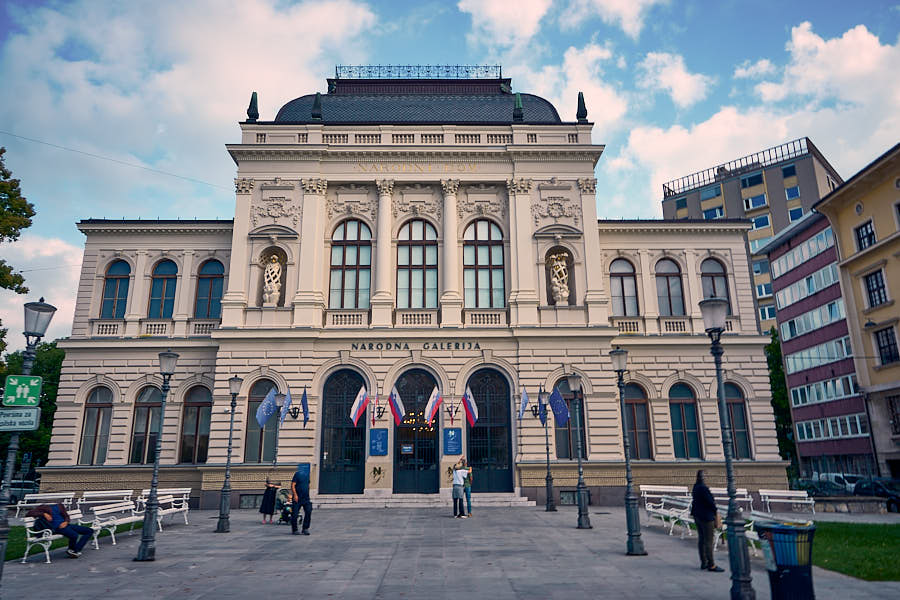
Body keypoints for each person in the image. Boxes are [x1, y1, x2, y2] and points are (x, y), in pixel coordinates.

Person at [26, 503, 93, 558]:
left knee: (89, 531)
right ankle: (73, 550)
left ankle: (74, 550)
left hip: (66, 525)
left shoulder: (60, 506)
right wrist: (44, 514)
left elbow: (66, 516)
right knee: (74, 535)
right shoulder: (44, 507)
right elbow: (29, 513)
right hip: (57, 528)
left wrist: (66, 522)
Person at [691, 470, 723, 572]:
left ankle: (703, 562)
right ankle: (711, 564)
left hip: (697, 515)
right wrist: (715, 511)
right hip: (706, 517)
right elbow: (710, 503)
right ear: (703, 478)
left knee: (701, 540)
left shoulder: (695, 487)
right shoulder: (704, 488)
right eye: (705, 476)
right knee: (709, 541)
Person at [291, 462, 312, 535]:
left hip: (306, 498)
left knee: (308, 512)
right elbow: (293, 485)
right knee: (295, 514)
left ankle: (305, 528)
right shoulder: (297, 474)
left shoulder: (307, 475)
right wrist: (295, 495)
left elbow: (308, 484)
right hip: (297, 497)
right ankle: (295, 529)